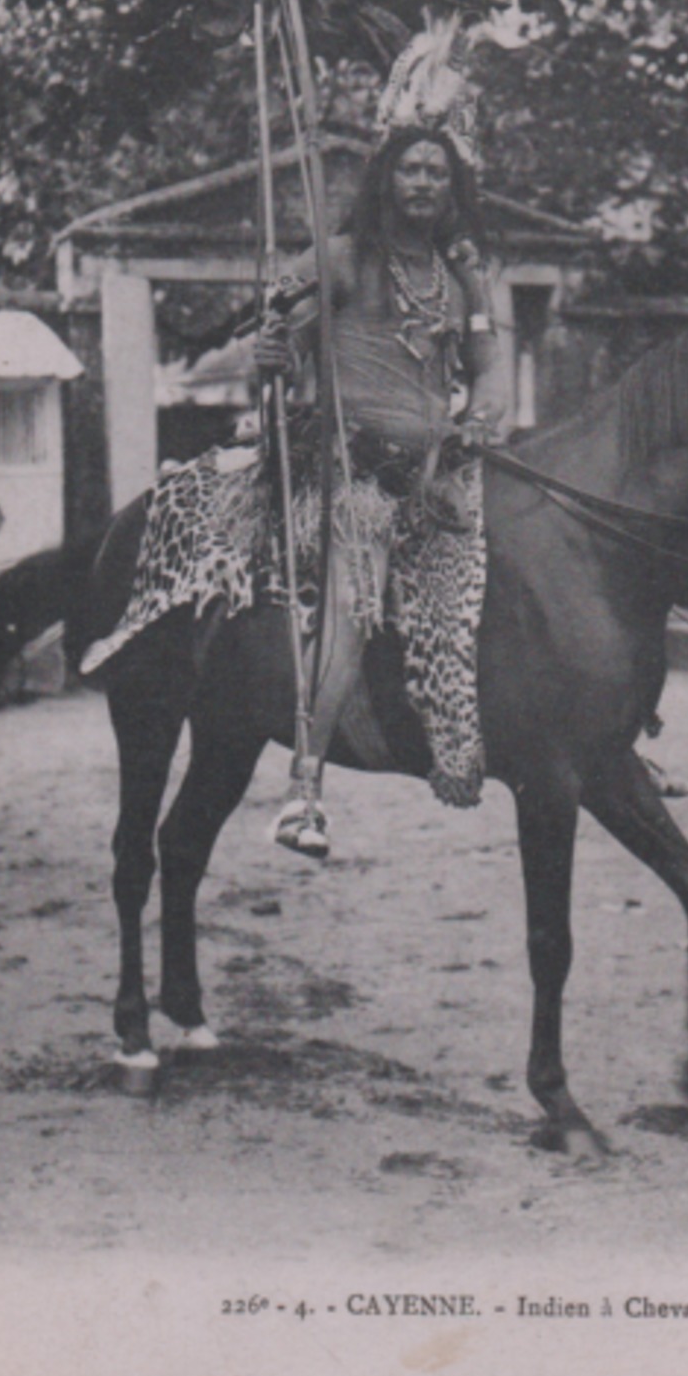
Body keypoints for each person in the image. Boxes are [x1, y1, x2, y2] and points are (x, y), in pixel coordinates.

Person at [256, 121, 509, 857]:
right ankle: (304, 790)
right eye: (411, 170)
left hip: (437, 474)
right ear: (386, 181)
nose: (425, 182)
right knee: (353, 606)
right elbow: (278, 333)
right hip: (350, 475)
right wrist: (270, 349)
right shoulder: (339, 260)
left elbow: (489, 367)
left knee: (531, 557)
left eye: (438, 171)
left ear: (453, 188)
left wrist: (481, 416)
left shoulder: (460, 278)